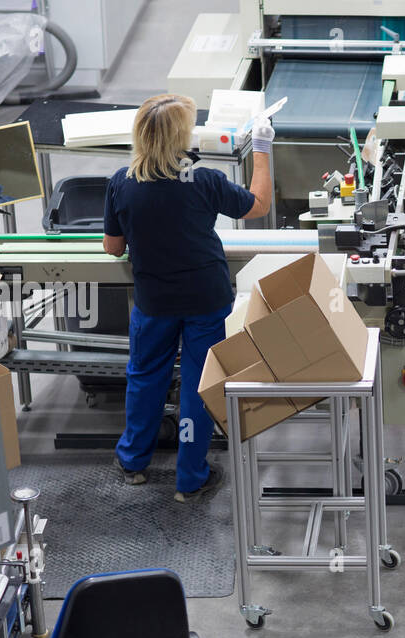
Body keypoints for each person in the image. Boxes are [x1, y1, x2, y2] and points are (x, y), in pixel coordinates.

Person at [103, 93, 273, 502]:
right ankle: (189, 478)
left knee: (146, 378)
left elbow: (112, 248)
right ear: (180, 137)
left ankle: (133, 463)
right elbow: (259, 205)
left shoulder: (122, 183)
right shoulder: (203, 180)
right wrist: (263, 150)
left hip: (154, 301)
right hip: (206, 299)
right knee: (200, 385)